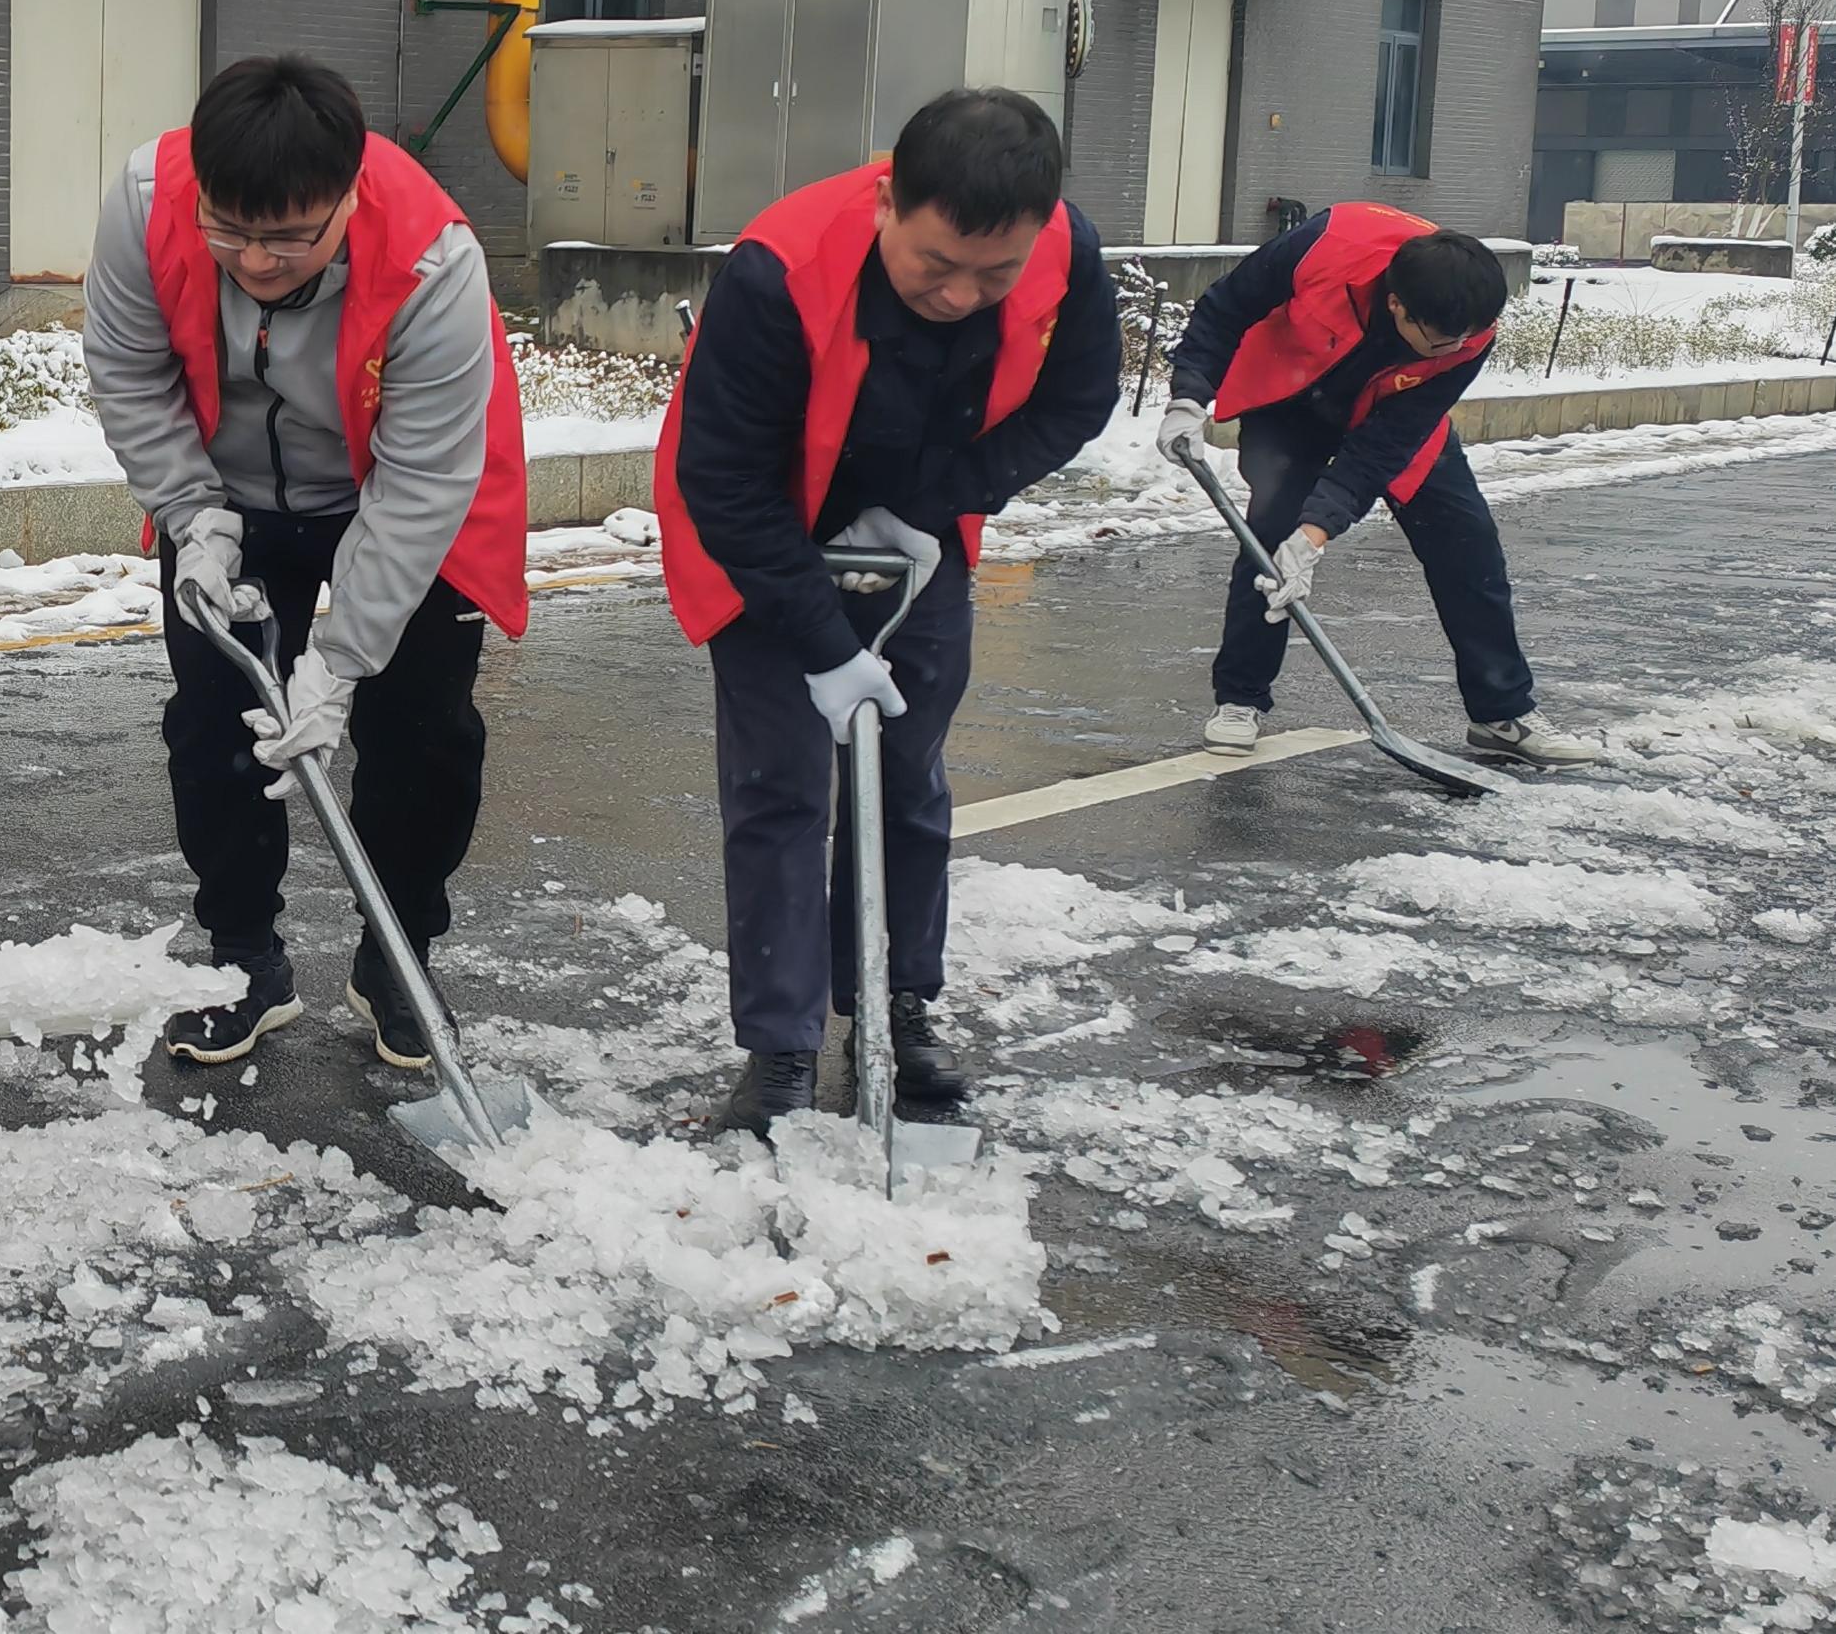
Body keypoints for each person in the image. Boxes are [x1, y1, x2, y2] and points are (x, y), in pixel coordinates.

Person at [657, 88, 1121, 1136]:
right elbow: (722, 481)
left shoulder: (1066, 251)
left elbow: (1077, 401)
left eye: (991, 274)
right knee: (781, 787)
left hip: (918, 533)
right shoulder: (778, 269)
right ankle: (781, 1044)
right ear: (887, 206)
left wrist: (935, 500)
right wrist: (821, 643)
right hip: (764, 533)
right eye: (934, 266)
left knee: (907, 779)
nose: (961, 294)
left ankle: (896, 1003)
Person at [83, 56, 528, 1070]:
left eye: (289, 236)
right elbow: (130, 371)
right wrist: (194, 514)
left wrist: (337, 662)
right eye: (230, 228)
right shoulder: (145, 204)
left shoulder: (432, 259)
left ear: (347, 195)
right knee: (213, 728)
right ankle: (244, 960)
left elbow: (420, 485)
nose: (255, 260)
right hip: (226, 493)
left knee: (423, 738)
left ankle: (397, 961)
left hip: (395, 487)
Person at [1156, 208, 1601, 766]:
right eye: (1435, 341)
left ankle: (1500, 712)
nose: (1449, 350)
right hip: (1294, 394)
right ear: (1397, 304)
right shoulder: (1325, 245)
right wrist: (1189, 399)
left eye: (1460, 342)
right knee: (1271, 533)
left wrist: (1315, 537)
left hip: (1391, 411)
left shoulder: (1468, 332)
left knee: (1466, 542)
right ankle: (1240, 700)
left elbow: (1382, 449)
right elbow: (1224, 312)